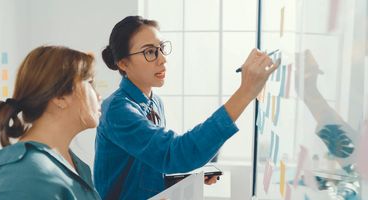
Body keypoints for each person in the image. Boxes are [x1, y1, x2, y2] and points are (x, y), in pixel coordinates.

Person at [94, 16, 278, 200]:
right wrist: (245, 92)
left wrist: (186, 176)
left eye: (161, 49)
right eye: (150, 52)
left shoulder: (154, 102)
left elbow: (151, 166)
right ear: (123, 63)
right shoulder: (118, 110)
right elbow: (174, 154)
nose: (163, 59)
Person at [0, 46, 102, 200]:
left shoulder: (70, 163)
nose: (99, 96)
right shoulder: (27, 174)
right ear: (60, 96)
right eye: (90, 82)